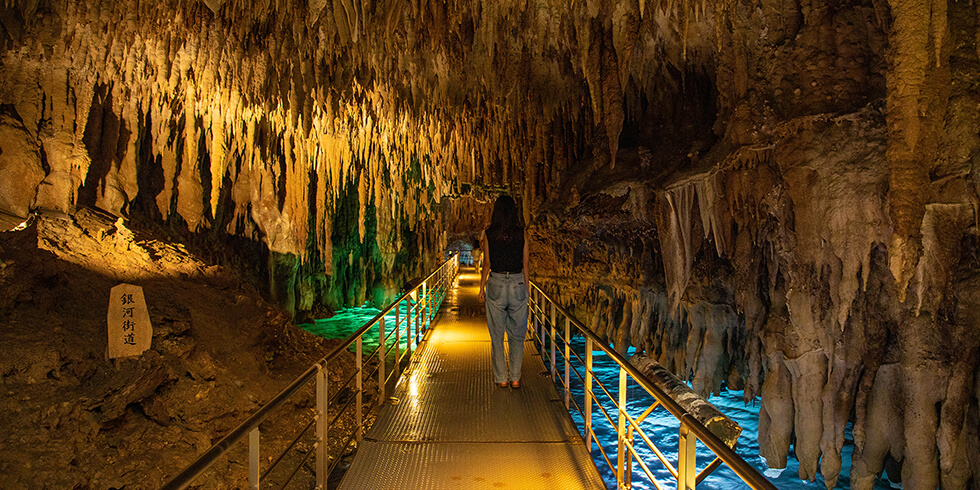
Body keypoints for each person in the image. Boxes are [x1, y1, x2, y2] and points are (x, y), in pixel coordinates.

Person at [478, 195, 529, 389]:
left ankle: (501, 378)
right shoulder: (521, 232)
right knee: (517, 335)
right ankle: (515, 378)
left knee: (497, 335)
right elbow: (525, 263)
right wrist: (527, 286)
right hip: (517, 283)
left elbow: (487, 263)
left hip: (497, 283)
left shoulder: (490, 233)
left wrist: (481, 287)